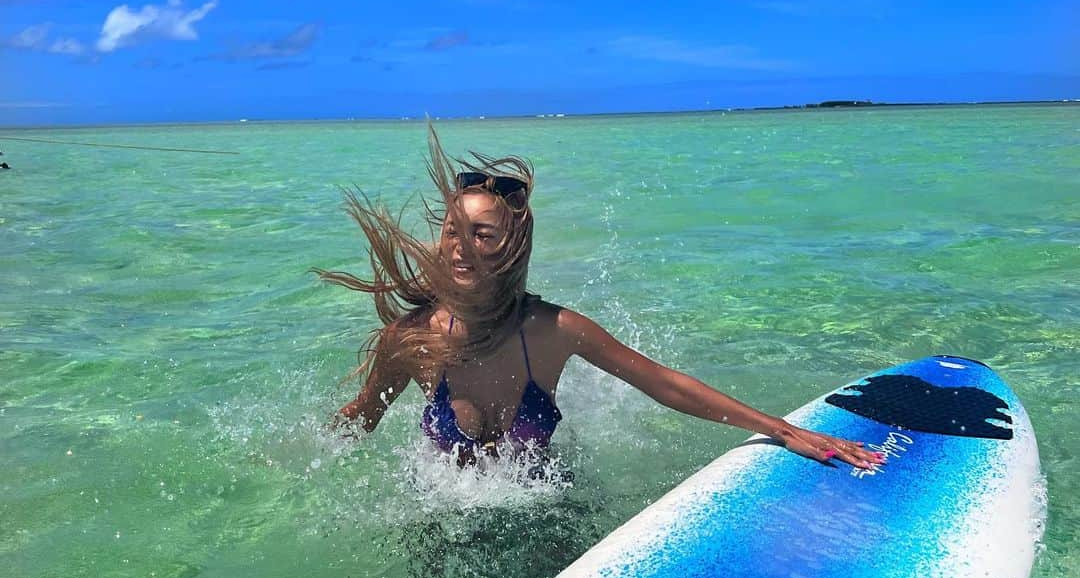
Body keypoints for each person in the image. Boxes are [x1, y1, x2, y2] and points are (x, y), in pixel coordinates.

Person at [318, 129, 886, 472]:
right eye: (450, 230)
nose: (459, 247)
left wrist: (784, 430)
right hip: (443, 530)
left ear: (512, 246)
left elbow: (663, 383)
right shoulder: (414, 340)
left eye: (481, 234)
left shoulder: (553, 332)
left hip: (544, 513)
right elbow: (358, 423)